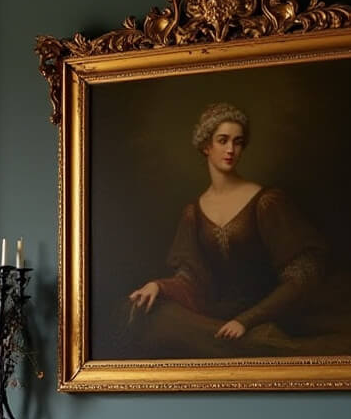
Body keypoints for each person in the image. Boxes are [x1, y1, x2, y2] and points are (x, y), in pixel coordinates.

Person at [126, 102, 328, 354]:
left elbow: (303, 275)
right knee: (153, 314)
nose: (231, 149)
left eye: (238, 141)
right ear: (206, 145)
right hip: (214, 318)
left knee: (261, 342)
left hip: (265, 317)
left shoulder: (266, 202)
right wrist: (158, 286)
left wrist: (246, 320)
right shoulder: (194, 213)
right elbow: (192, 279)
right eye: (223, 140)